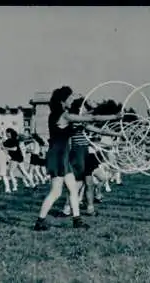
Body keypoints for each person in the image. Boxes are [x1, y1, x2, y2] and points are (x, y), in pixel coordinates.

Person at [34, 87, 121, 231]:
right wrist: (114, 117)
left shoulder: (57, 115)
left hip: (62, 155)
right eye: (69, 98)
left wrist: (97, 113)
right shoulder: (64, 116)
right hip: (58, 156)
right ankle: (40, 221)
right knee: (56, 192)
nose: (71, 100)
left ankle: (77, 220)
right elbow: (91, 118)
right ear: (63, 101)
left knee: (73, 190)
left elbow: (87, 117)